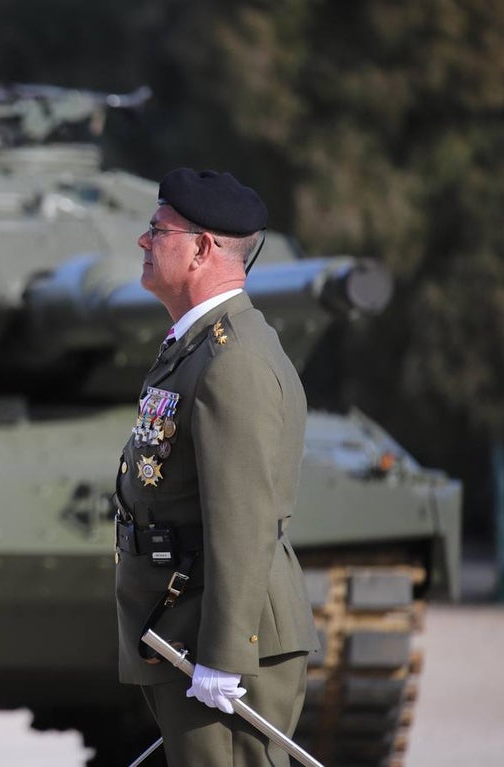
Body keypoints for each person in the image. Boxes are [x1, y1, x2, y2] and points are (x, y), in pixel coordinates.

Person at [113, 168, 319, 766]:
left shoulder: (233, 362)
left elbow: (243, 518)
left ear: (202, 248)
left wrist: (225, 654)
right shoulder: (197, 347)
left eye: (158, 230)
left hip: (219, 640)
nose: (143, 240)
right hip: (183, 627)